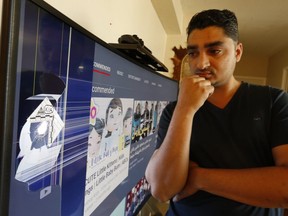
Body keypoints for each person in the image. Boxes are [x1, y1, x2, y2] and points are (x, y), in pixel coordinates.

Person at [145, 9, 288, 216]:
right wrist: (185, 109)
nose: (201, 63)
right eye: (193, 53)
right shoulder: (175, 111)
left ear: (237, 52)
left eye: (215, 51)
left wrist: (199, 178)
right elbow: (161, 189)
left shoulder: (274, 101)